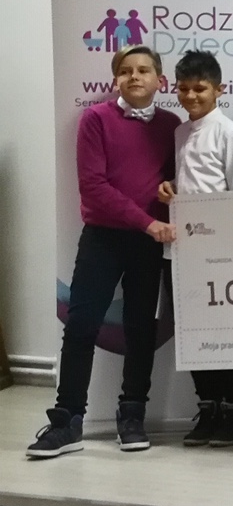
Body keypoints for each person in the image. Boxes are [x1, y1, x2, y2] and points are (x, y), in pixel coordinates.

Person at [30, 45, 179, 459]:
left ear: (160, 81)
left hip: (149, 243)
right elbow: (94, 187)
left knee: (140, 327)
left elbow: (173, 177)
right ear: (116, 79)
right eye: (126, 70)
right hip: (103, 238)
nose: (134, 76)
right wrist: (147, 221)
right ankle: (67, 420)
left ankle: (132, 414)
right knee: (81, 324)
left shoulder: (171, 124)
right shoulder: (95, 118)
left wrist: (170, 189)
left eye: (144, 70)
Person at [154, 51, 233, 447]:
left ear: (219, 89)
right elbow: (189, 182)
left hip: (220, 252)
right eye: (184, 89)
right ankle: (209, 406)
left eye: (200, 88)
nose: (191, 96)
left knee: (227, 331)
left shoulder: (231, 133)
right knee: (192, 331)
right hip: (181, 251)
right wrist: (171, 189)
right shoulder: (180, 132)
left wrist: (232, 250)